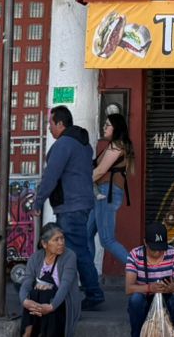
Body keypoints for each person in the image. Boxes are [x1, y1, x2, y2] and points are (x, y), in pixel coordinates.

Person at [33, 105, 104, 310]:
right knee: (73, 249)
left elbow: (51, 176)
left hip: (70, 206)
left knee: (76, 250)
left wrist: (38, 202)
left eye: (50, 123)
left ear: (60, 123)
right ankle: (71, 291)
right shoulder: (83, 144)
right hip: (81, 203)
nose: (49, 128)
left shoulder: (63, 144)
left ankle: (92, 292)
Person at [126, 222, 174, 337]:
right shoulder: (135, 255)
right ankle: (137, 334)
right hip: (145, 301)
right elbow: (129, 288)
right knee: (135, 299)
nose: (158, 253)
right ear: (145, 242)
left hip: (167, 300)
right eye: (154, 249)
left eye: (161, 249)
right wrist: (150, 288)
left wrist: (172, 288)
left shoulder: (173, 253)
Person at [20, 222, 79, 337]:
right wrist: (25, 301)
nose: (61, 243)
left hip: (61, 302)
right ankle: (28, 332)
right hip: (39, 304)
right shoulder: (35, 258)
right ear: (44, 244)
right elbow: (26, 283)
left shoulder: (69, 256)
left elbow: (65, 286)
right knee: (33, 293)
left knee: (45, 294)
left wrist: (51, 307)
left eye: (62, 238)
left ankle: (28, 332)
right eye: (56, 240)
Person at [92, 111, 133, 267]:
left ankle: (141, 273)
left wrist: (81, 183)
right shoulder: (114, 145)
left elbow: (101, 170)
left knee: (107, 240)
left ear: (116, 128)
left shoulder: (117, 145)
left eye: (107, 125)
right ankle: (89, 278)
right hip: (103, 192)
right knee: (87, 234)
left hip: (106, 192)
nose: (104, 127)